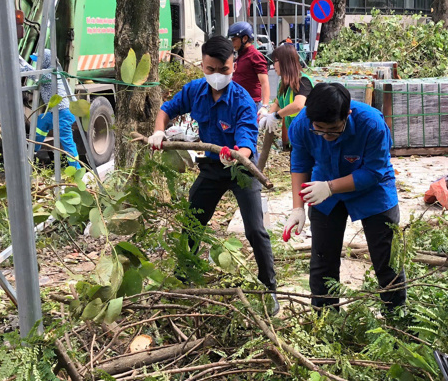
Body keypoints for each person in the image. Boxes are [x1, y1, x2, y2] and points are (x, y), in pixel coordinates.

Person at [148, 36, 278, 314]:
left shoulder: (242, 100)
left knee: (255, 230)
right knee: (193, 220)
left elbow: (246, 143)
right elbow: (166, 110)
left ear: (233, 65)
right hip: (210, 166)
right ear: (203, 66)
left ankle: (269, 288)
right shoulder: (195, 91)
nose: (217, 76)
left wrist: (235, 154)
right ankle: (184, 277)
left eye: (224, 70)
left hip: (241, 169)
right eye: (210, 70)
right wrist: (159, 131)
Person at [284, 83, 406, 313]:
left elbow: (373, 172)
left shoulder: (371, 123)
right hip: (323, 186)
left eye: (333, 130)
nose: (325, 136)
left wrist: (331, 187)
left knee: (387, 258)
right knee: (323, 260)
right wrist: (297, 208)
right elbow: (300, 163)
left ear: (347, 115)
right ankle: (325, 319)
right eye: (319, 129)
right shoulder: (302, 123)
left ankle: (396, 316)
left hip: (373, 190)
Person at [21, 50, 81, 169]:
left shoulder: (50, 75)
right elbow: (34, 72)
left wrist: (18, 64)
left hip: (64, 113)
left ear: (46, 60)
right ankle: (33, 149)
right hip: (55, 112)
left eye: (39, 60)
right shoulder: (50, 71)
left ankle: (76, 169)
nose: (37, 63)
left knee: (66, 141)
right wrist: (22, 61)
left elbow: (32, 74)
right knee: (41, 121)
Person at [259, 44, 313, 150]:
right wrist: (267, 116)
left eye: (275, 61)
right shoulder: (283, 84)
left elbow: (298, 105)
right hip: (296, 139)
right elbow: (278, 103)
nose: (273, 65)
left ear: (285, 62)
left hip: (309, 138)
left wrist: (276, 116)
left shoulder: (303, 81)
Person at [228, 22, 270, 113]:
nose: (232, 43)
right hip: (239, 103)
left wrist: (265, 105)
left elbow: (264, 82)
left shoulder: (255, 56)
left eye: (234, 40)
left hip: (251, 104)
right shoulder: (241, 55)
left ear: (245, 38)